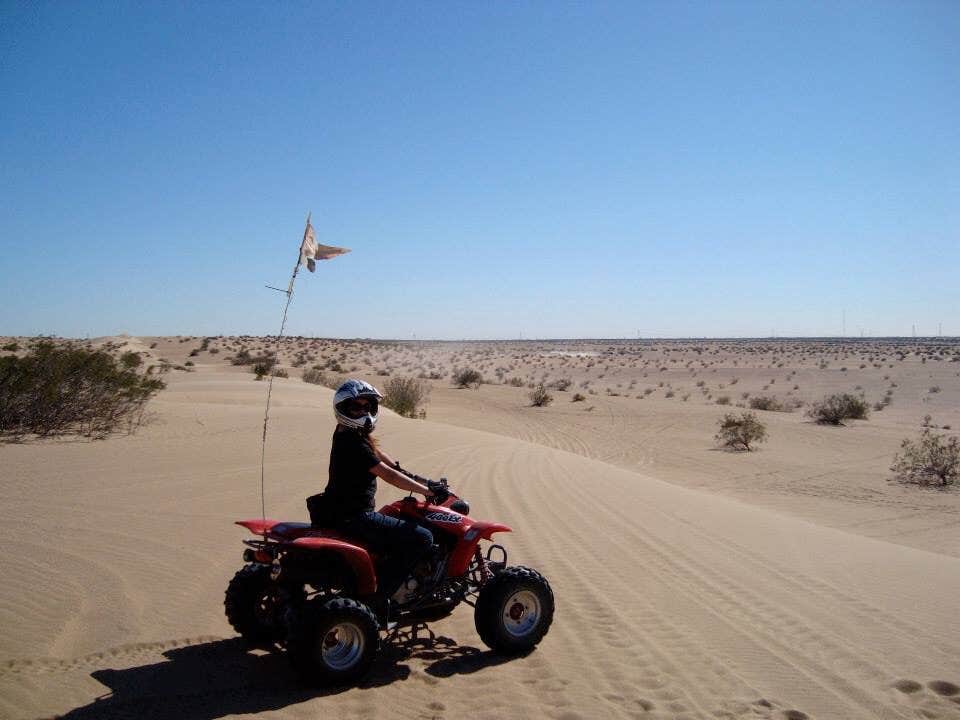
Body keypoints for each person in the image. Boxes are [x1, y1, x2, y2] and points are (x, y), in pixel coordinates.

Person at [322, 379, 438, 606]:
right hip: (356, 517)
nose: (363, 412)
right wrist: (426, 492)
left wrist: (427, 482)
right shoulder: (353, 443)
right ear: (343, 408)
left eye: (367, 407)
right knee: (423, 537)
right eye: (357, 407)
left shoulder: (350, 434)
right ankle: (381, 596)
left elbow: (392, 466)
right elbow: (389, 476)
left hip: (335, 513)